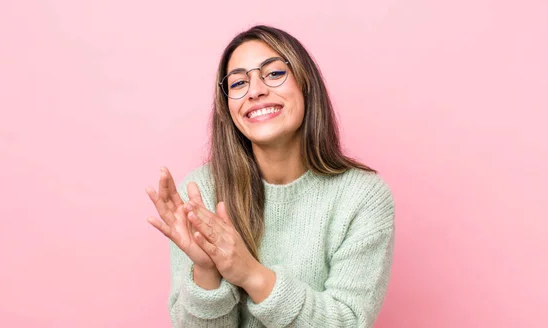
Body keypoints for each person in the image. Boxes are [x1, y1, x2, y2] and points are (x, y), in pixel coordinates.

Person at [146, 25, 395, 328]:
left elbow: (347, 322)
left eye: (274, 74)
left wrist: (250, 273)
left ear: (306, 84)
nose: (255, 90)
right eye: (238, 83)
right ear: (228, 108)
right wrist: (206, 270)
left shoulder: (362, 196)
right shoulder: (200, 195)